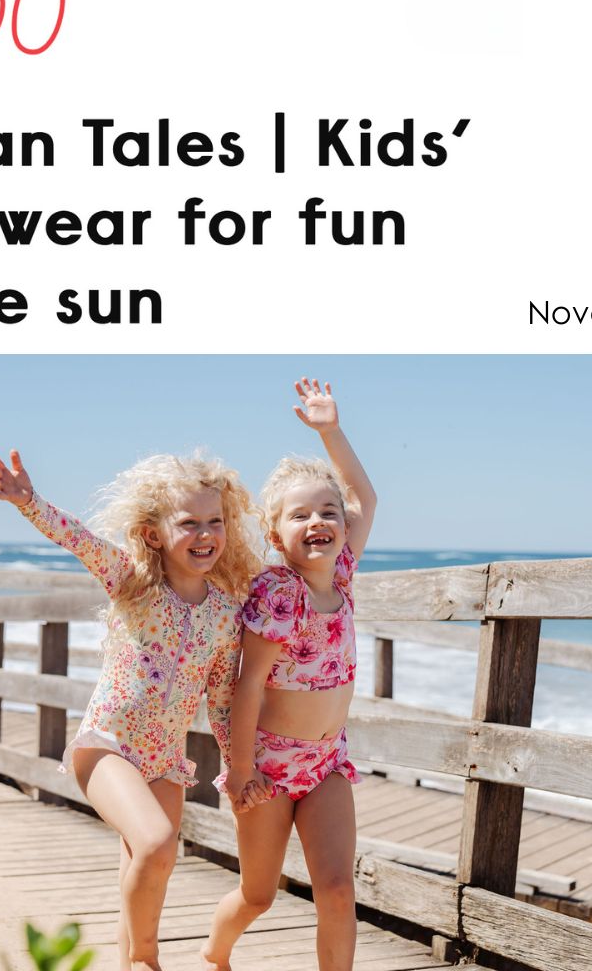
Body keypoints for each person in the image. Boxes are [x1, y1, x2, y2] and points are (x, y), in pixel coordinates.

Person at [0, 449, 261, 971]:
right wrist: (29, 503)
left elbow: (223, 701)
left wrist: (237, 768)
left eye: (215, 522)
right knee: (156, 845)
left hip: (165, 761)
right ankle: (145, 961)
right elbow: (78, 540)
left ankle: (124, 960)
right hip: (108, 747)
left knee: (146, 865)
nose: (206, 534)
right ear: (155, 534)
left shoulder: (226, 613)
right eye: (189, 523)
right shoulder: (133, 582)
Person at [203, 379, 377, 971]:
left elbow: (365, 498)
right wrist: (241, 769)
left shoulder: (344, 576)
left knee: (336, 889)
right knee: (260, 893)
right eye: (299, 515)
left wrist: (330, 431)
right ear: (276, 535)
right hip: (267, 766)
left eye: (328, 512)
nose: (318, 521)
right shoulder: (281, 592)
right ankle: (214, 954)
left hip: (326, 762)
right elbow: (249, 685)